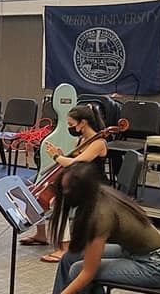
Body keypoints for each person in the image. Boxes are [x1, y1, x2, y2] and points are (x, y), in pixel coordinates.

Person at [46, 162, 160, 294]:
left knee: (78, 270)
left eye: (66, 190)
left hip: (158, 265)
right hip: (141, 252)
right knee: (70, 258)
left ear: (80, 191)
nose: (64, 194)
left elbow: (88, 273)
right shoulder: (99, 193)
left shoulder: (100, 215)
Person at [21, 105, 108, 263]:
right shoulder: (80, 140)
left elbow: (76, 163)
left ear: (83, 123)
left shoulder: (98, 143)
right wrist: (62, 156)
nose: (69, 127)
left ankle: (65, 247)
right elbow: (72, 164)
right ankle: (41, 235)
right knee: (37, 195)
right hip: (80, 183)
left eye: (71, 124)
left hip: (94, 187)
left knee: (58, 202)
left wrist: (56, 157)